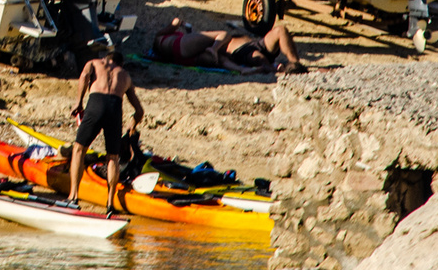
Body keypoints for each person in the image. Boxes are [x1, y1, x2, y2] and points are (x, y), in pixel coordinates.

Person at [67, 45, 144, 215]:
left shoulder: (94, 63)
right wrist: (132, 125)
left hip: (96, 104)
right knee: (113, 157)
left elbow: (84, 77)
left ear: (106, 59)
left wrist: (79, 102)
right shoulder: (125, 76)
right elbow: (139, 111)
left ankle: (73, 196)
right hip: (114, 109)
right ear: (120, 64)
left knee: (79, 149)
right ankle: (110, 202)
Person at [153, 16, 307, 74]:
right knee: (258, 58)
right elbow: (222, 61)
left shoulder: (190, 43)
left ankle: (295, 63)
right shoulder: (166, 39)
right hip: (240, 51)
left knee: (281, 30)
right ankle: (276, 69)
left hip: (257, 43)